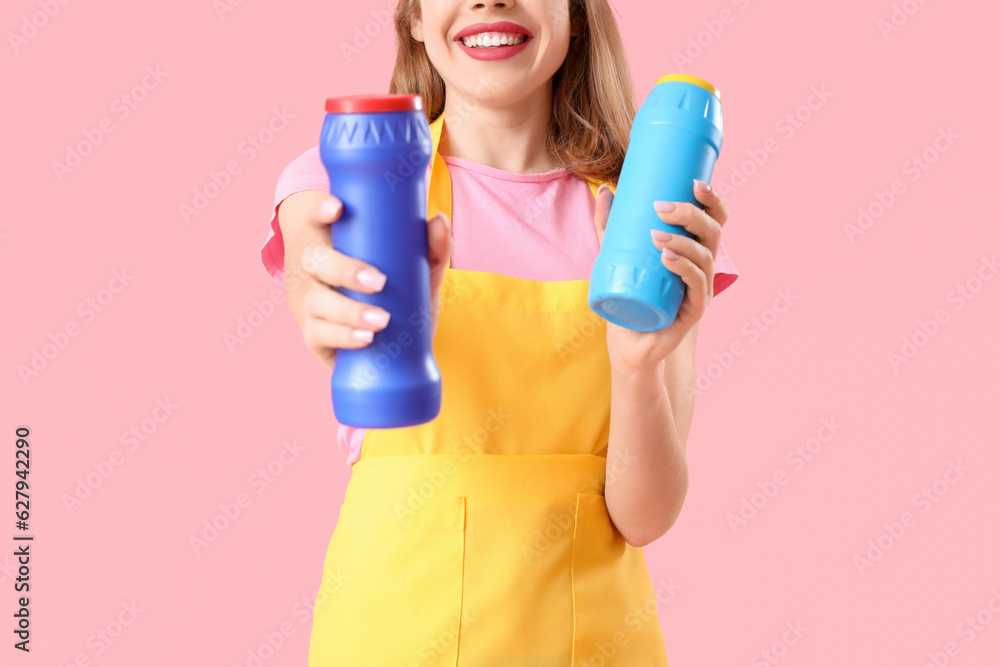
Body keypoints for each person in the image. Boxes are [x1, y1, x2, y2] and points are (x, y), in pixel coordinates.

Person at [259, 1, 739, 664]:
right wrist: (330, 297)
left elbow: (644, 516)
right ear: (415, 19)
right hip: (390, 636)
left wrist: (636, 364)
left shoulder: (639, 223)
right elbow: (317, 252)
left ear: (573, 15)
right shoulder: (358, 173)